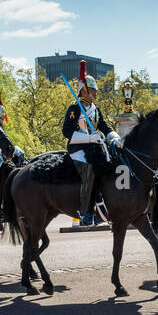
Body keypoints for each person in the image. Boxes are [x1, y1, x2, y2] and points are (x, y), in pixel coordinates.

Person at [63, 65, 120, 226]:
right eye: (93, 89)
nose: (95, 92)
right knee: (90, 173)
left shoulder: (95, 109)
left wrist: (114, 137)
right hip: (78, 150)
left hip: (95, 149)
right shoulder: (75, 108)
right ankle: (85, 213)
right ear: (84, 90)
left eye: (95, 89)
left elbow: (104, 126)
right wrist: (89, 138)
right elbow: (67, 132)